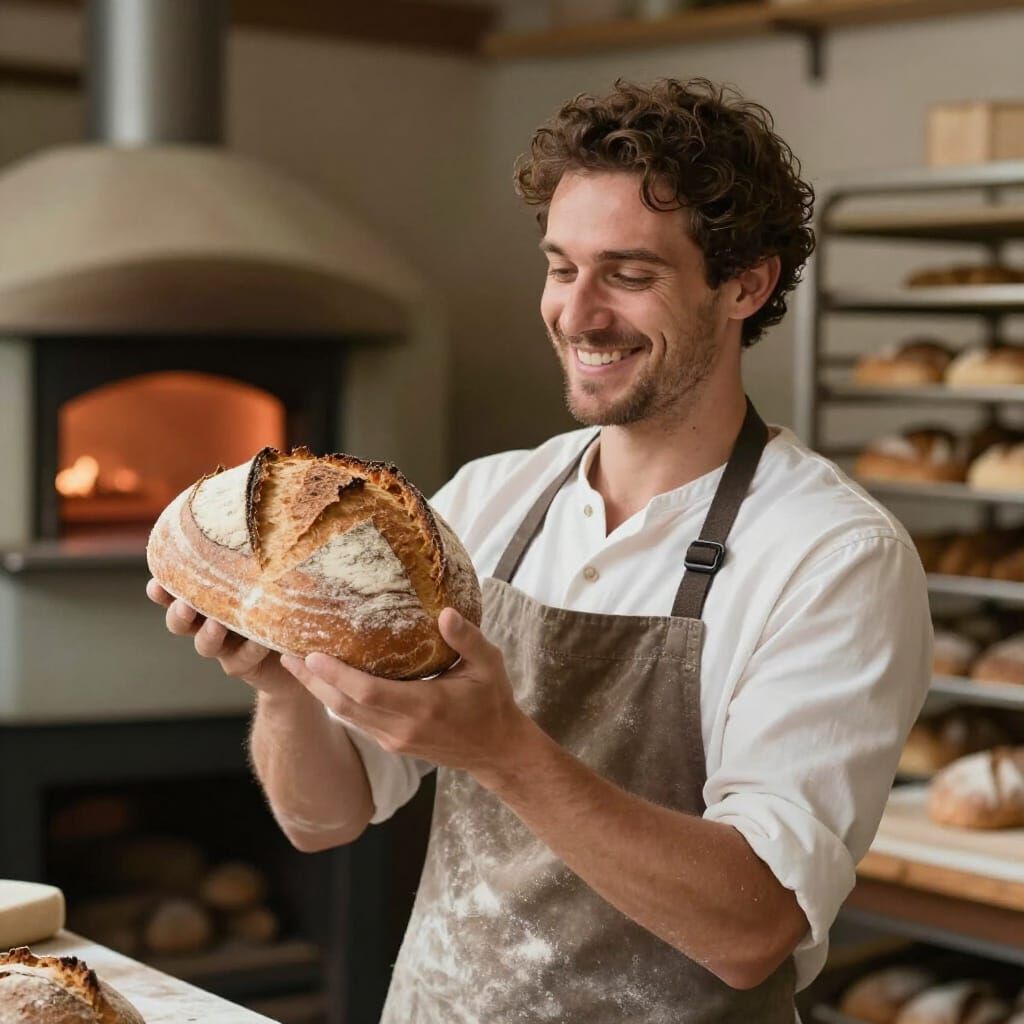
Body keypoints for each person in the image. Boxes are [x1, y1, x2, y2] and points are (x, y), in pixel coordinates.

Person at [148, 78, 932, 1023]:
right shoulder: (491, 500)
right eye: (563, 268)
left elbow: (752, 928)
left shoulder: (831, 556)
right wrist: (280, 685)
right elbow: (328, 817)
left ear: (746, 285)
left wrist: (506, 752)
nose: (579, 314)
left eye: (629, 275)